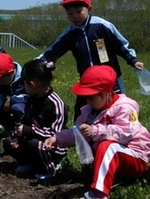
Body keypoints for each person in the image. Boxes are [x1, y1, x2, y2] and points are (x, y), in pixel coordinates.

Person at [36, 0, 144, 122]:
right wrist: (37, 64)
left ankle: (129, 133)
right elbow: (53, 51)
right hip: (87, 81)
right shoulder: (69, 34)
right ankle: (80, 138)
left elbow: (120, 45)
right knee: (81, 114)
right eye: (70, 13)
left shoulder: (102, 26)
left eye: (78, 11)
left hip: (111, 80)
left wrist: (133, 60)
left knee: (120, 107)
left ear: (89, 8)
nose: (75, 16)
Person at [44, 65, 150, 199]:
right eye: (86, 98)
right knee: (104, 145)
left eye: (91, 98)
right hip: (114, 162)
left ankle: (99, 194)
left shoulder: (127, 107)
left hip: (135, 158)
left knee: (108, 146)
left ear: (106, 93)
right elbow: (78, 133)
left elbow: (126, 133)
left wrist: (95, 130)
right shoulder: (89, 110)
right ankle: (106, 178)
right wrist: (57, 138)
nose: (88, 102)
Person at [3, 59, 69, 180]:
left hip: (53, 144)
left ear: (32, 84)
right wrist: (19, 137)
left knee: (35, 144)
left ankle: (50, 167)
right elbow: (27, 120)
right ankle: (28, 162)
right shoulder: (33, 98)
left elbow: (56, 134)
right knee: (8, 141)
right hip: (33, 138)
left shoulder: (56, 104)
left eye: (24, 83)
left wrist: (29, 131)